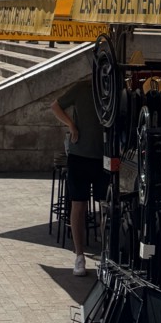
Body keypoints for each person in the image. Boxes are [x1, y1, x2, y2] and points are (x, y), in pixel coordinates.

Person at [51, 75, 107, 276]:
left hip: (103, 156)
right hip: (80, 155)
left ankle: (106, 255)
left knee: (106, 206)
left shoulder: (112, 89)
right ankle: (79, 255)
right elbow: (55, 106)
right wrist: (71, 125)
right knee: (78, 205)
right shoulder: (82, 88)